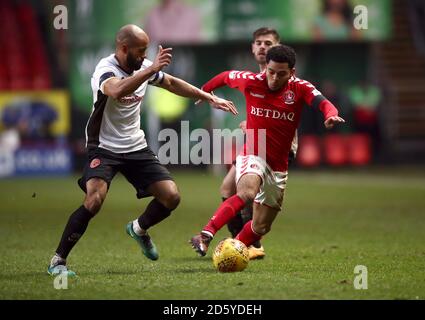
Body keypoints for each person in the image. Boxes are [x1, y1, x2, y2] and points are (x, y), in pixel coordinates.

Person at [47, 24, 237, 276]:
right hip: (103, 147)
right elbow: (116, 90)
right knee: (94, 200)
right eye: (139, 51)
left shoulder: (143, 66)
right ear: (124, 48)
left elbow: (169, 82)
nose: (143, 56)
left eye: (146, 51)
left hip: (135, 146)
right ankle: (58, 261)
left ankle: (138, 228)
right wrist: (150, 69)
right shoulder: (106, 69)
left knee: (171, 197)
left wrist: (209, 96)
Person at [190, 45, 344, 257]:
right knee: (246, 193)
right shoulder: (252, 80)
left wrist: (330, 115)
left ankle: (233, 249)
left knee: (261, 227)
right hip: (254, 150)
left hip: (278, 164)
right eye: (271, 72)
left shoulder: (301, 88)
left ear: (292, 73)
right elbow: (225, 76)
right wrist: (205, 92)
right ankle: (206, 235)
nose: (274, 78)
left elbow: (325, 104)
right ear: (266, 69)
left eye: (281, 74)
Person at [218, 27, 298, 260]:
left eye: (268, 43)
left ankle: (250, 243)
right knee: (227, 188)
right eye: (259, 43)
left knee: (249, 195)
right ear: (252, 48)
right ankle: (240, 244)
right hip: (255, 142)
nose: (263, 47)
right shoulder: (257, 76)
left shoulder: (284, 75)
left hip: (276, 146)